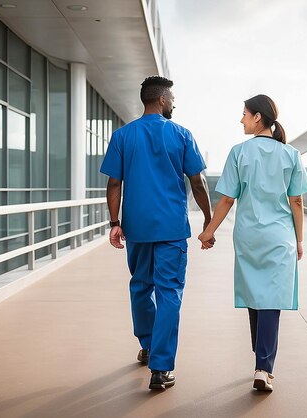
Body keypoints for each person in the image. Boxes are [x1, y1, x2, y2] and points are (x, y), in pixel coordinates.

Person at [100, 75, 213, 390]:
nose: (174, 103)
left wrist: (114, 222)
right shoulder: (181, 134)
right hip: (171, 230)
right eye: (173, 98)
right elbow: (198, 182)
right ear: (162, 100)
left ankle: (148, 345)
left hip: (136, 229)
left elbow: (113, 183)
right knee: (169, 293)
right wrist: (208, 218)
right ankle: (161, 369)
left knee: (140, 287)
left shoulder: (123, 136)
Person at [198, 94, 307, 392]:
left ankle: (260, 359)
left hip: (248, 235)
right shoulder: (291, 155)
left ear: (257, 117)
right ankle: (264, 366)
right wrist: (298, 239)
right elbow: (297, 201)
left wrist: (209, 231)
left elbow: (226, 199)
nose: (241, 119)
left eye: (245, 114)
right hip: (279, 237)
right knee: (270, 298)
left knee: (255, 294)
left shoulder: (239, 153)